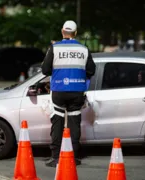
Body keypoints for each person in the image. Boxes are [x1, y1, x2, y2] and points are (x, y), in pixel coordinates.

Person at [41, 20, 96, 167]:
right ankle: (73, 157)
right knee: (74, 124)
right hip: (77, 90)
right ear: (76, 33)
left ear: (62, 31)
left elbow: (45, 70)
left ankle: (55, 157)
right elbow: (91, 70)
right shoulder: (84, 49)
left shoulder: (55, 48)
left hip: (59, 90)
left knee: (57, 123)